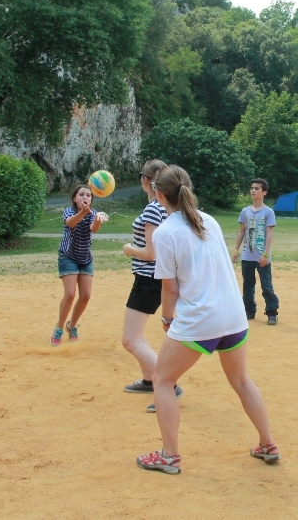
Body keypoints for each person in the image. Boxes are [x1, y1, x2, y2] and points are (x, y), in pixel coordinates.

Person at [136, 165, 281, 475]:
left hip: (199, 320)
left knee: (162, 381)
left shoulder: (165, 232)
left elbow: (170, 287)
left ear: (159, 195)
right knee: (241, 381)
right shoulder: (210, 221)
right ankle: (267, 443)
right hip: (233, 317)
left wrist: (166, 318)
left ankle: (169, 456)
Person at [121, 159, 183, 411]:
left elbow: (150, 252)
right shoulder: (164, 207)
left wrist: (128, 249)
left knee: (130, 339)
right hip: (156, 279)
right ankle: (149, 380)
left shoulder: (151, 209)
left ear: (145, 180)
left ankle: (167, 383)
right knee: (137, 334)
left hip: (148, 279)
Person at [51, 185, 109, 346]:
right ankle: (59, 328)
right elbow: (71, 223)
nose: (85, 197)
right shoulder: (69, 212)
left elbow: (94, 229)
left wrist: (97, 219)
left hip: (85, 258)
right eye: (81, 194)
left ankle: (72, 326)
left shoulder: (92, 214)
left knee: (85, 296)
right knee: (70, 294)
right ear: (74, 198)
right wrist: (85, 211)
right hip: (68, 256)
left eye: (89, 195)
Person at [231, 179, 280, 325]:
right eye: (252, 188)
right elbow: (241, 231)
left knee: (266, 285)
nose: (253, 190)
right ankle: (248, 310)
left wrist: (265, 254)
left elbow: (269, 234)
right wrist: (236, 249)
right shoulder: (245, 211)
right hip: (247, 255)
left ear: (264, 192)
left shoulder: (268, 212)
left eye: (257, 188)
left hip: (262, 256)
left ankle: (272, 312)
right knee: (248, 285)